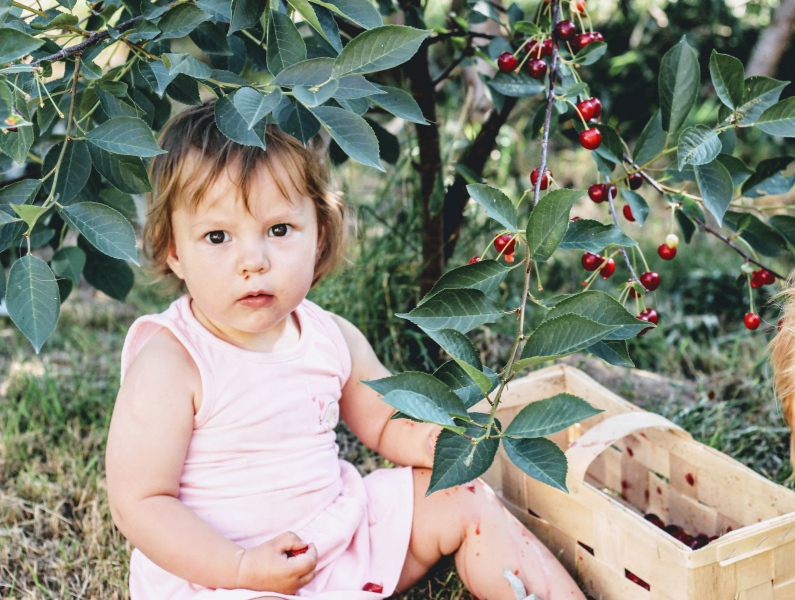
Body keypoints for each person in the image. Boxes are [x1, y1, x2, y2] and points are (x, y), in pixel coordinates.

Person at [105, 100, 586, 600]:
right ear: (174, 251)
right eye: (218, 236)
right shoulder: (172, 360)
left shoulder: (328, 335)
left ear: (319, 234)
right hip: (221, 572)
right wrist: (242, 566)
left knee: (464, 498)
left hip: (335, 535)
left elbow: (381, 420)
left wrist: (427, 440)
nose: (253, 260)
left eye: (278, 230)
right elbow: (139, 502)